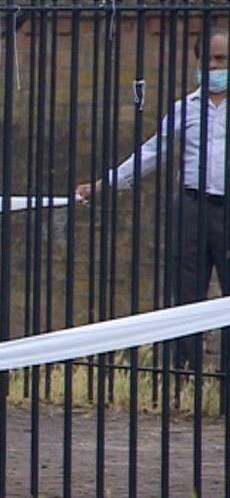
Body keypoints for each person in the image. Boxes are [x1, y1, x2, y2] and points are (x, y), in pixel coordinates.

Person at [76, 29, 228, 368]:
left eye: (222, 60)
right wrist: (105, 184)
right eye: (209, 59)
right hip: (193, 206)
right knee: (187, 295)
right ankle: (185, 376)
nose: (215, 67)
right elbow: (153, 152)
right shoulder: (185, 108)